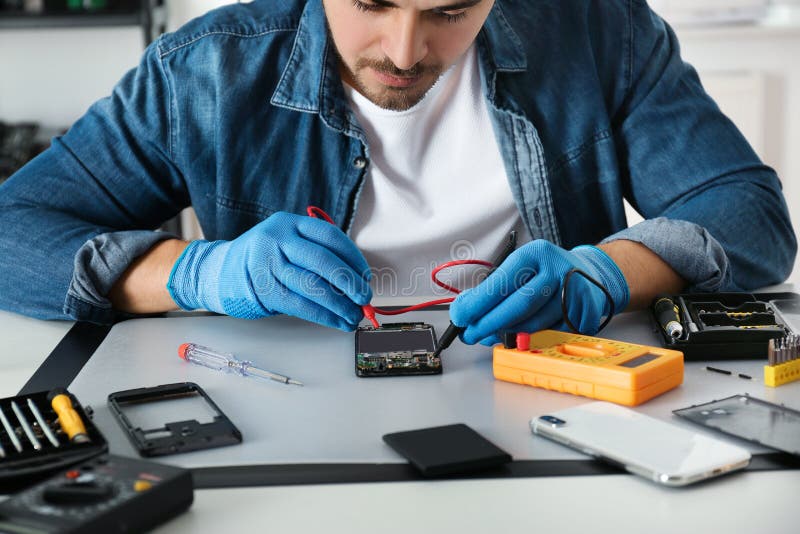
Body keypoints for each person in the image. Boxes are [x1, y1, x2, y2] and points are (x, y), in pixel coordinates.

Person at [0, 0, 795, 346]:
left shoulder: (602, 30)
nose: (406, 52)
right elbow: (12, 232)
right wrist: (200, 274)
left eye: (451, 11)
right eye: (372, 2)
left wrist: (605, 274)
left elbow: (750, 215)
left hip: (547, 409)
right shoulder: (204, 70)